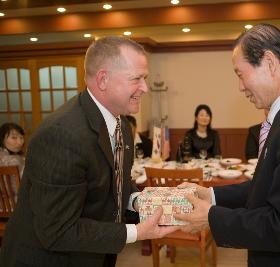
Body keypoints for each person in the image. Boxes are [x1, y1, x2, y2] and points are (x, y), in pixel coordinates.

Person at [175, 24, 280, 267]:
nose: (240, 86)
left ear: (269, 62)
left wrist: (212, 218)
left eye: (240, 74)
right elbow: (269, 187)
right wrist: (212, 195)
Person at [0, 36, 178, 267]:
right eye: (137, 79)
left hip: (94, 254)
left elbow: (114, 184)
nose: (145, 88)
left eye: (144, 78)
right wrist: (136, 232)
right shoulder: (61, 135)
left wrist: (141, 201)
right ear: (103, 79)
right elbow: (57, 230)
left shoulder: (122, 124)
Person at [0, 122, 25, 202]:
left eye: (21, 138)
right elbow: (25, 187)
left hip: (3, 206)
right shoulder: (14, 160)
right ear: (2, 139)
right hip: (18, 204)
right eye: (14, 138)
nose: (19, 142)